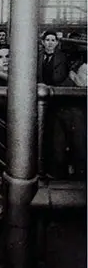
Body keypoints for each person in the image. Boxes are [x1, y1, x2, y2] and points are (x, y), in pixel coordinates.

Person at [38, 30, 86, 180]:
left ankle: (67, 172)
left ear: (58, 43)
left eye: (53, 40)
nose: (50, 43)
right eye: (48, 40)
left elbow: (64, 79)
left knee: (62, 138)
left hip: (58, 101)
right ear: (43, 42)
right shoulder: (38, 57)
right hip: (43, 101)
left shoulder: (64, 59)